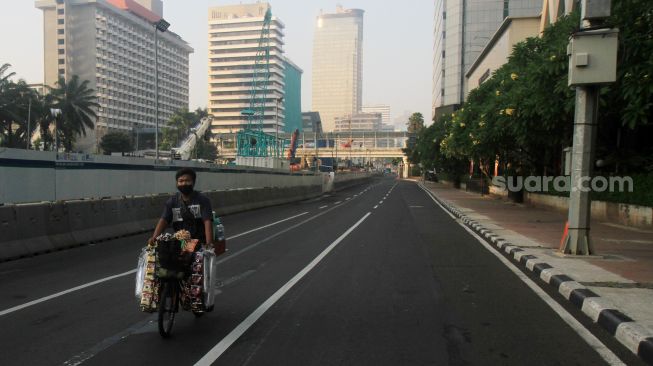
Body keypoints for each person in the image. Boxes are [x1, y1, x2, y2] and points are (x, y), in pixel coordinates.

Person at [148, 168, 213, 249]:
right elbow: (164, 220)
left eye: (187, 180)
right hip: (179, 242)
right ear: (177, 183)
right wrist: (154, 238)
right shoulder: (172, 202)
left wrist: (209, 244)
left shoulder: (202, 200)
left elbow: (207, 222)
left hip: (198, 242)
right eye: (181, 181)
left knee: (189, 257)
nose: (184, 183)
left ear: (193, 182)